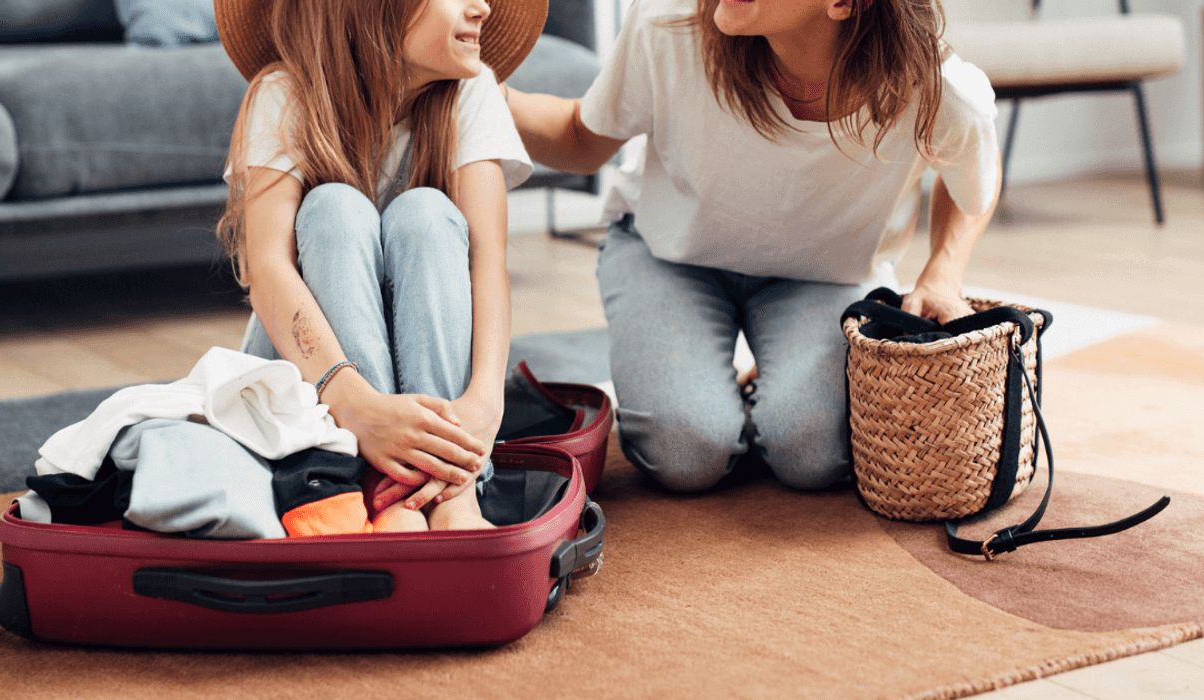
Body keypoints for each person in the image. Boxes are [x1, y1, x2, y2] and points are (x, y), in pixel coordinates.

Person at [504, 0, 1000, 493]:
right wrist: (490, 95)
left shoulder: (940, 90)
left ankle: (775, 379)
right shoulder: (669, 22)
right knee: (684, 455)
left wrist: (943, 270)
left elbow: (973, 181)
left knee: (813, 457)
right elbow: (579, 139)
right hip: (670, 256)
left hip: (824, 274)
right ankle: (736, 392)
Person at [214, 0, 541, 532]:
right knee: (334, 207)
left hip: (436, 398)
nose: (482, 7)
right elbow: (268, 270)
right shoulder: (284, 93)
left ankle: (444, 489)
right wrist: (355, 403)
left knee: (426, 212)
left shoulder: (472, 89)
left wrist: (484, 402)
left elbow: (488, 264)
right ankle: (367, 482)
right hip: (317, 387)